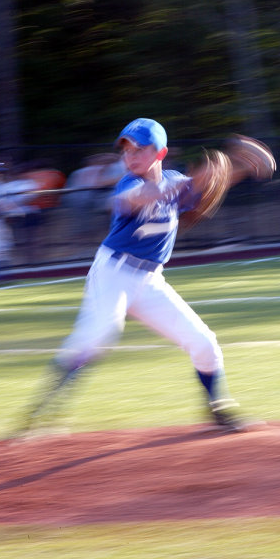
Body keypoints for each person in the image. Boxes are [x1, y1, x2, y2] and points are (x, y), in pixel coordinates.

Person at [23, 118, 260, 433]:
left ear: (160, 153)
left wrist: (243, 168)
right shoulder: (129, 184)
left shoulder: (176, 182)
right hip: (113, 273)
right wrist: (182, 184)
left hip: (150, 281)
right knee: (97, 335)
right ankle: (40, 415)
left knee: (204, 342)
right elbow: (131, 199)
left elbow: (209, 182)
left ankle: (217, 408)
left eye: (140, 149)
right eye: (126, 150)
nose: (130, 157)